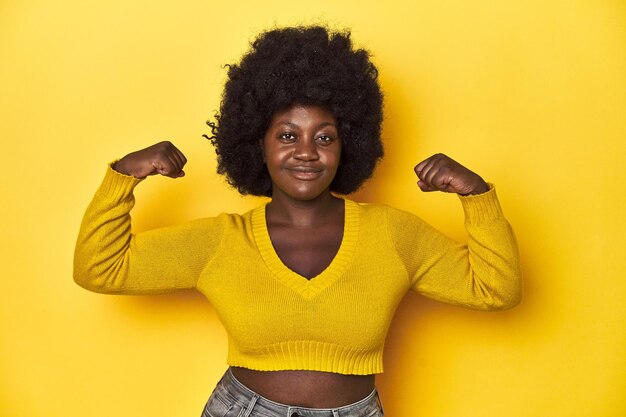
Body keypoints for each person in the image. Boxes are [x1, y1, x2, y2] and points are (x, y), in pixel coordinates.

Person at [74, 26, 522, 417]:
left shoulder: (394, 234)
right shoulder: (221, 241)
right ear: (257, 143)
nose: (306, 151)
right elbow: (100, 269)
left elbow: (495, 288)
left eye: (324, 137)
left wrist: (476, 195)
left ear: (348, 145)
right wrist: (124, 177)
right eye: (287, 135)